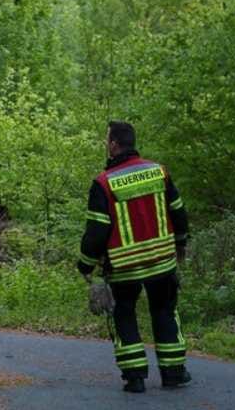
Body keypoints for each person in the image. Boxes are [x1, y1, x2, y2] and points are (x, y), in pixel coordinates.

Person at [77, 121, 191, 393]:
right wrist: (181, 244)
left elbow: (96, 231)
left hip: (124, 267)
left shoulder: (103, 184)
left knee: (124, 314)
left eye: (107, 140)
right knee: (165, 311)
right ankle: (173, 372)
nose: (107, 144)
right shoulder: (158, 172)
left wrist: (86, 263)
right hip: (162, 261)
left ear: (115, 144)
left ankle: (135, 378)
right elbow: (178, 211)